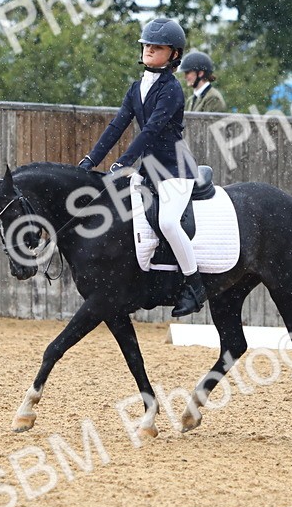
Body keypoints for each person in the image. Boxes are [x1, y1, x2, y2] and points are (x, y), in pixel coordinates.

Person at [78, 17, 207, 317]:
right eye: (147, 44)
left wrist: (123, 162)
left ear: (173, 54)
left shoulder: (172, 89)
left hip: (176, 169)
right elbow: (116, 126)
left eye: (157, 46)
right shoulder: (136, 88)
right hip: (149, 169)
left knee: (168, 223)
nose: (149, 49)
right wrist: (90, 161)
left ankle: (195, 285)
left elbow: (150, 130)